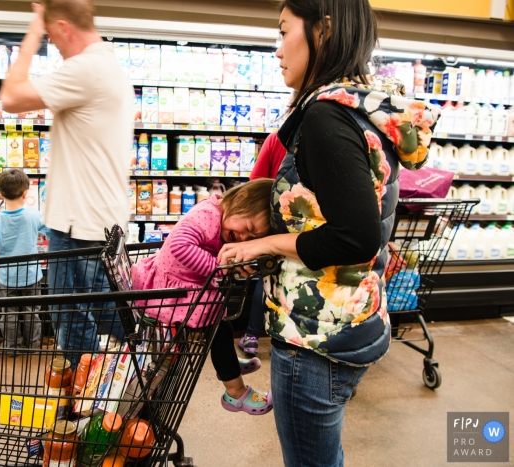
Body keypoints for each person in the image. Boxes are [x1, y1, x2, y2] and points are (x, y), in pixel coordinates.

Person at [218, 0, 440, 465]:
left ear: (323, 30)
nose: (277, 49)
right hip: (348, 322)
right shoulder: (362, 109)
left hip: (315, 339)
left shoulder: (326, 117)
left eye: (283, 32)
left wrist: (267, 243)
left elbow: (357, 237)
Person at [0, 0, 134, 362]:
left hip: (80, 226)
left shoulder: (86, 69)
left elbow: (9, 97)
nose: (53, 45)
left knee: (73, 317)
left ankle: (92, 396)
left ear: (61, 27)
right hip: (95, 220)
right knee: (104, 313)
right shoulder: (108, 66)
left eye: (51, 37)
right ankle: (111, 380)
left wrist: (31, 32)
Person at [132, 178, 275, 415]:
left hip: (186, 288)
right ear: (240, 199)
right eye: (247, 229)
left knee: (221, 325)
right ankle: (235, 392)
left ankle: (227, 364)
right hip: (170, 294)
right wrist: (219, 268)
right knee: (217, 330)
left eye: (252, 239)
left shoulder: (221, 214)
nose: (243, 239)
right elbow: (179, 245)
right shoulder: (208, 215)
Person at [0, 169, 50, 351]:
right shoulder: (34, 215)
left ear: (0, 193)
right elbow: (50, 231)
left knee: (9, 313)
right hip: (31, 274)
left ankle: (11, 347)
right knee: (32, 312)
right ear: (25, 193)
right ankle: (33, 345)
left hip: (7, 276)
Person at [238, 133, 288, 356]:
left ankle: (251, 335)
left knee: (266, 273)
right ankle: (285, 338)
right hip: (309, 228)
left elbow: (256, 182)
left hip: (271, 221)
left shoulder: (277, 139)